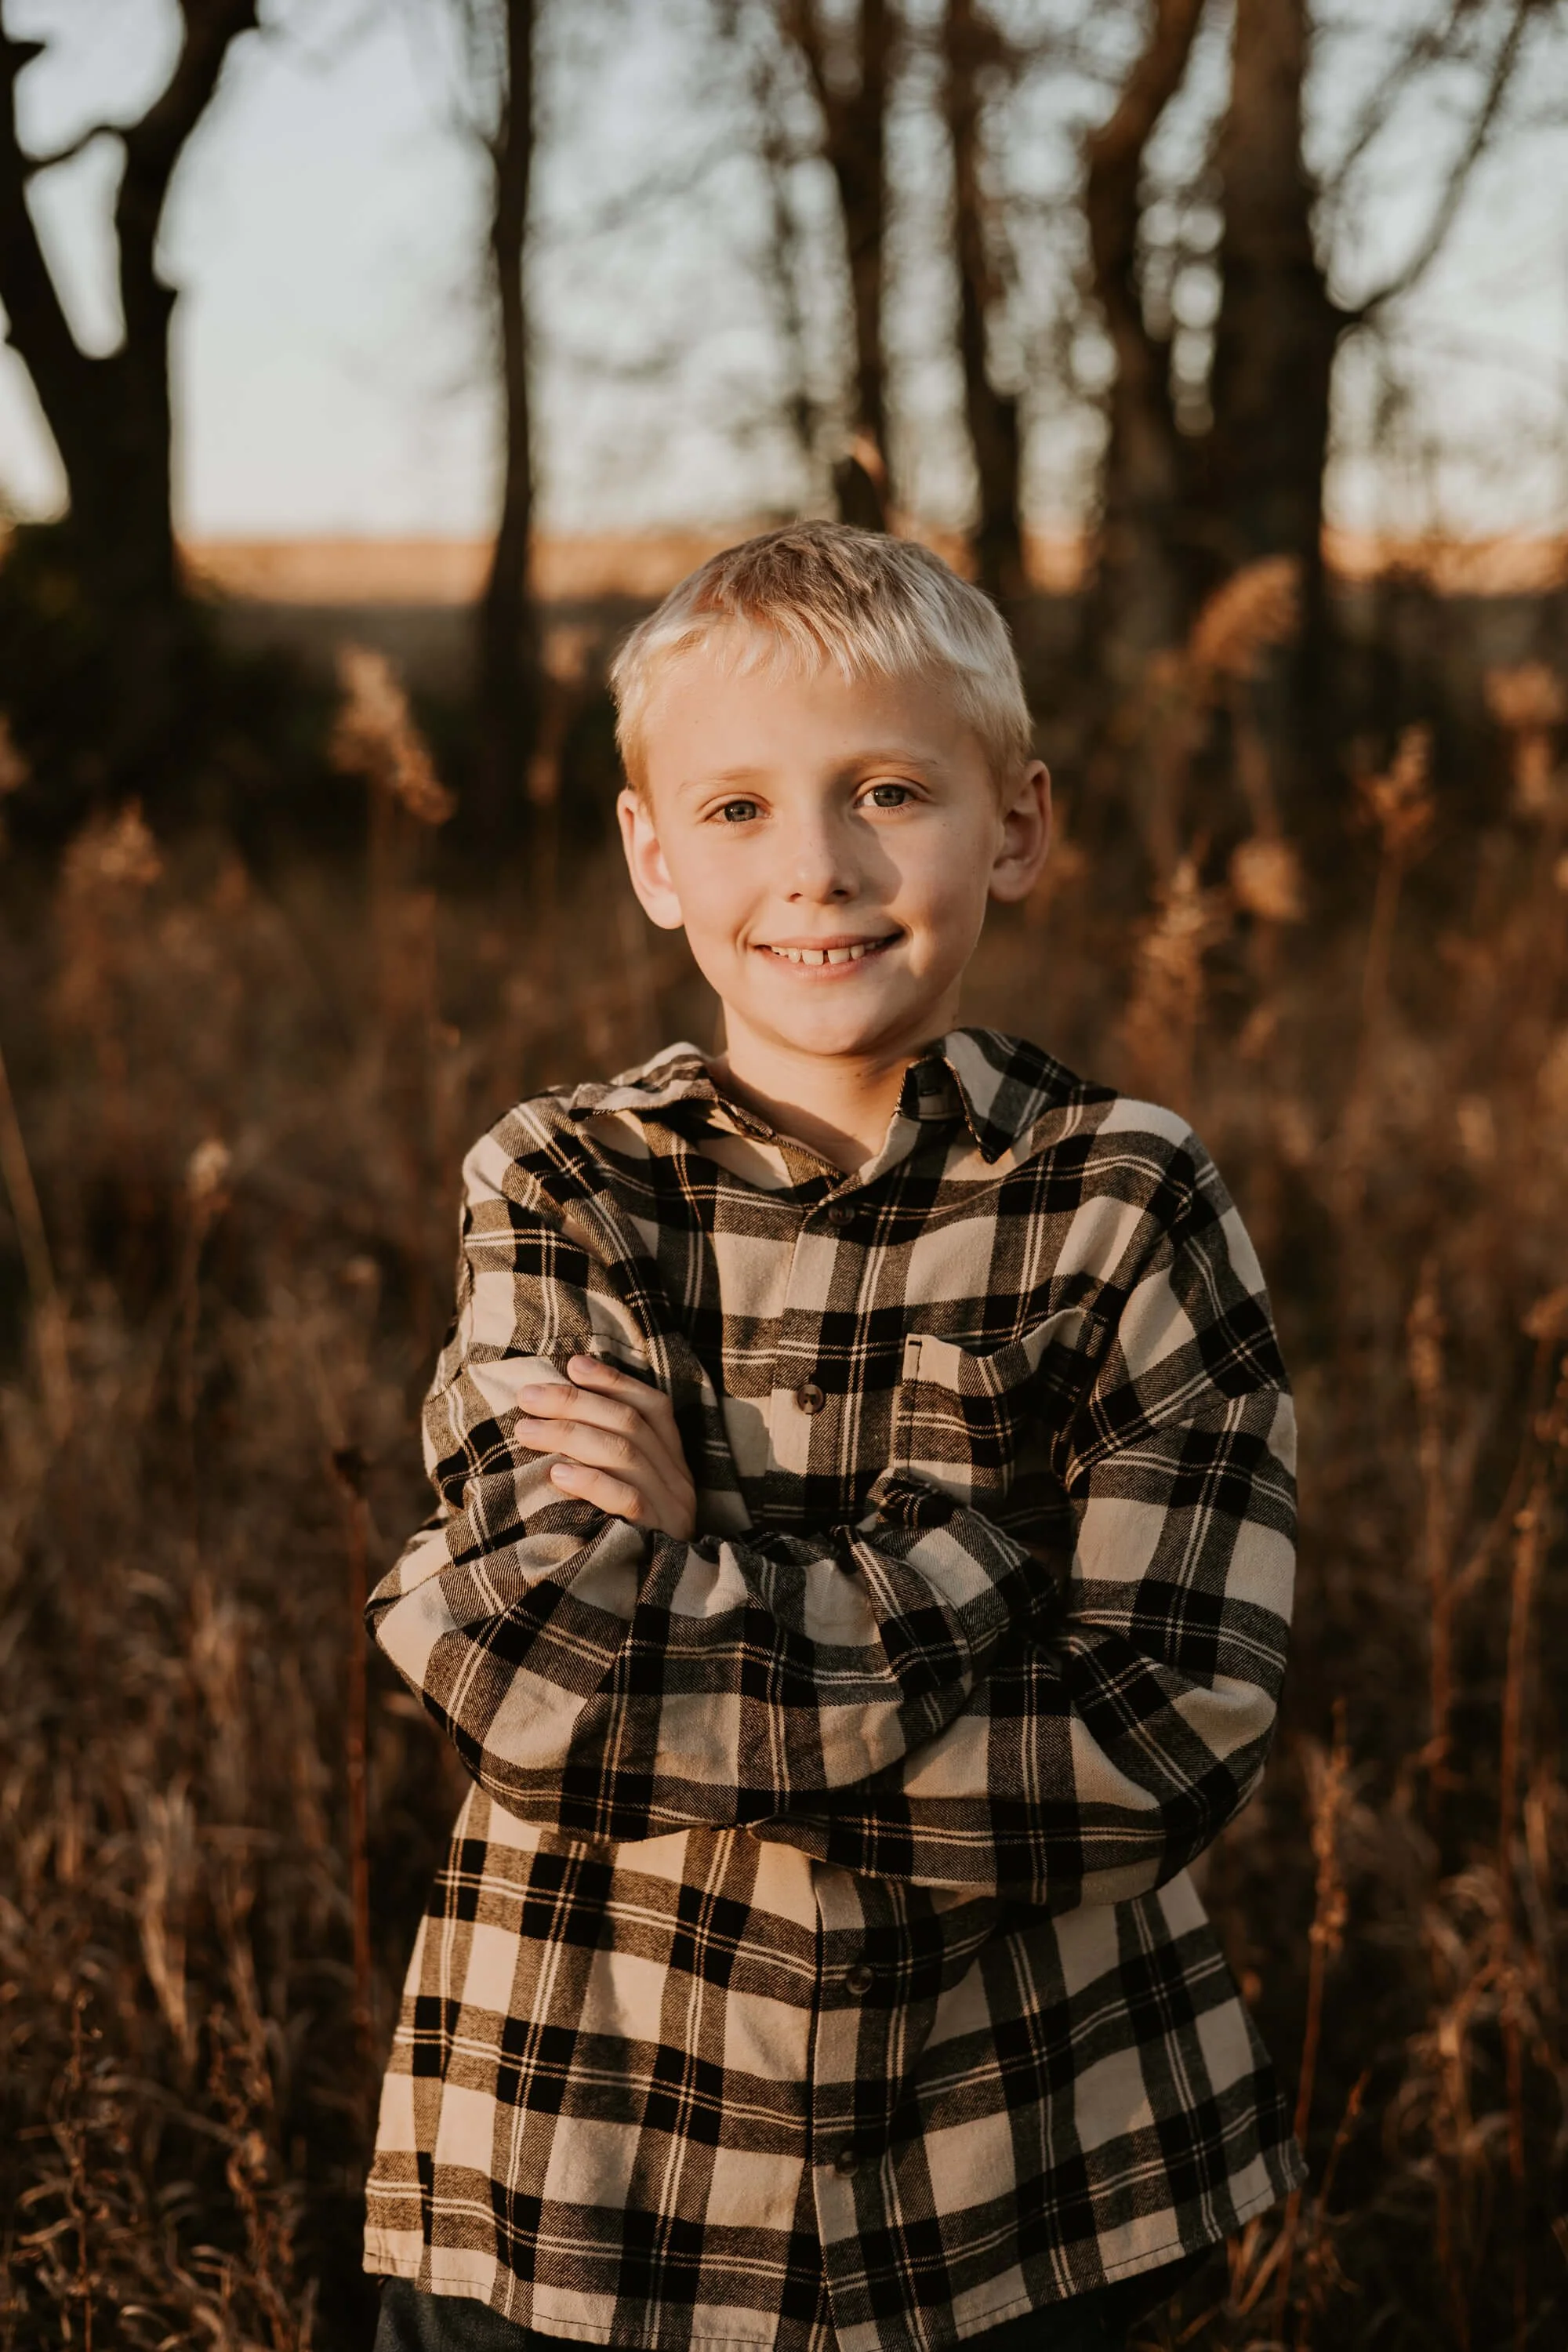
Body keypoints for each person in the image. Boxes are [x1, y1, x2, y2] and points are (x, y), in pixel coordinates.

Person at [363, 524, 1304, 2352]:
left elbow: (1164, 1737)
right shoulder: (563, 1179)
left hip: (1020, 2186)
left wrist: (698, 1571)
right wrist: (957, 1574)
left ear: (1015, 825)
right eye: (733, 811)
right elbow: (525, 1668)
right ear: (651, 855)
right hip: (572, 2165)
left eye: (887, 790)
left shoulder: (1121, 1198)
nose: (814, 867)